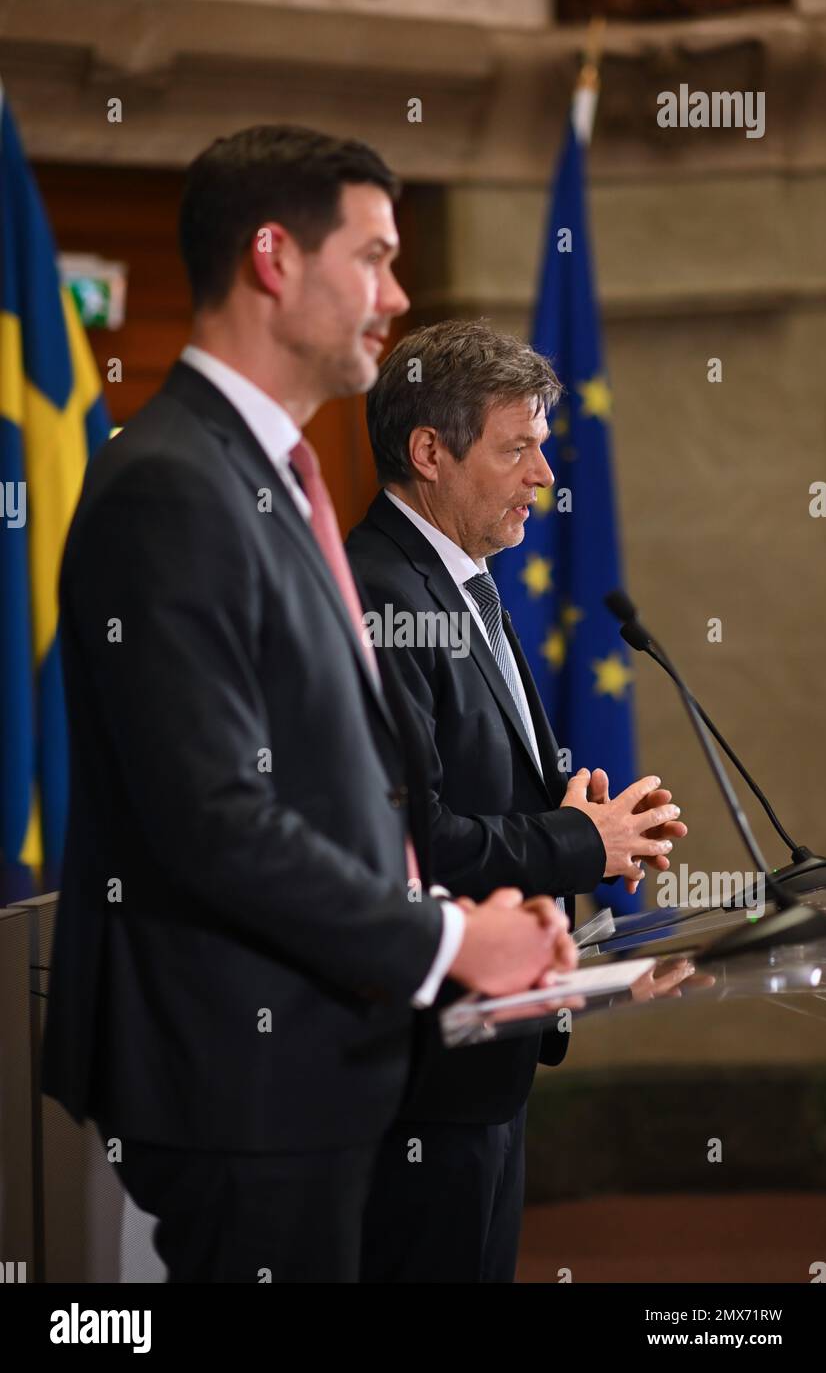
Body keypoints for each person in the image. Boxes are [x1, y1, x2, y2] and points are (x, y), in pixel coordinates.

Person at [41, 131, 575, 1284]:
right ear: (275, 259)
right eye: (374, 258)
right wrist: (450, 932)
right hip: (238, 1062)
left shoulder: (265, 470)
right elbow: (212, 817)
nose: (397, 295)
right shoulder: (174, 482)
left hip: (313, 1048)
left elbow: (344, 778)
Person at [347, 319, 688, 1282]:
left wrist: (585, 820)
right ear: (429, 453)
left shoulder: (465, 583)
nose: (544, 473)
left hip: (484, 1062)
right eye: (518, 447)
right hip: (420, 1077)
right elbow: (413, 849)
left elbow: (473, 791)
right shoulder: (381, 596)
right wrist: (576, 842)